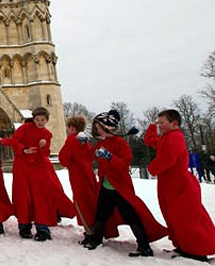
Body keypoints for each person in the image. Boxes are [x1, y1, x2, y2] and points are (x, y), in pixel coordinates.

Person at [83, 109, 167, 257]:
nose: (97, 131)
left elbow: (124, 164)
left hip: (120, 188)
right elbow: (88, 157)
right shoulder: (103, 143)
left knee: (130, 215)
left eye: (99, 128)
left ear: (107, 128)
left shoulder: (120, 143)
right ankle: (96, 240)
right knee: (101, 214)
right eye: (97, 129)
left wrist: (109, 157)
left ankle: (144, 246)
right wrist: (84, 145)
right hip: (105, 186)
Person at [144, 109, 215, 262]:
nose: (160, 125)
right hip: (169, 184)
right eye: (159, 122)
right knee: (173, 217)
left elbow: (168, 158)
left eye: (162, 123)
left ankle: (197, 250)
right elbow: (151, 140)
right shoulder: (167, 137)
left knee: (185, 218)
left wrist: (152, 168)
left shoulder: (175, 138)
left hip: (180, 185)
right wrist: (152, 126)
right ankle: (184, 246)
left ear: (174, 123)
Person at [7, 107, 74, 241]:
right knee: (23, 197)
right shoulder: (24, 128)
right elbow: (14, 141)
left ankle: (42, 228)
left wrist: (43, 146)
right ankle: (24, 226)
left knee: (40, 197)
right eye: (37, 120)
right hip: (22, 167)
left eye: (42, 120)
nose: (40, 122)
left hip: (38, 168)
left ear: (47, 120)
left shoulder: (47, 134)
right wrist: (24, 150)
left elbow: (45, 154)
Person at [58, 116, 99, 244]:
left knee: (82, 203)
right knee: (89, 200)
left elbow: (63, 159)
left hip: (77, 175)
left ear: (72, 128)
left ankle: (90, 233)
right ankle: (94, 230)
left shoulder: (72, 140)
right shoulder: (84, 141)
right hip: (88, 173)